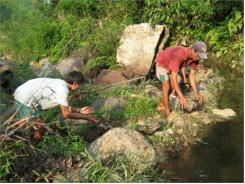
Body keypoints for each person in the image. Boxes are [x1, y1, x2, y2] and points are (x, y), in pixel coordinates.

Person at [13, 71, 99, 139]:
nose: (79, 87)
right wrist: (87, 117)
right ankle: (36, 143)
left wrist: (79, 110)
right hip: (27, 98)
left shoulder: (59, 83)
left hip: (20, 92)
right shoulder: (63, 91)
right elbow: (66, 113)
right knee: (40, 126)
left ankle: (18, 136)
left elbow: (63, 105)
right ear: (75, 83)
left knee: (24, 122)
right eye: (80, 85)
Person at [156, 41, 208, 117]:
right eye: (199, 55)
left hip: (172, 64)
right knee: (166, 86)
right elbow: (174, 77)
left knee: (173, 87)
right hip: (162, 63)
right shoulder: (180, 54)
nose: (199, 58)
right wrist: (181, 96)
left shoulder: (195, 59)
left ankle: (161, 104)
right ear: (193, 50)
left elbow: (192, 75)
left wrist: (196, 93)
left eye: (201, 56)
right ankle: (166, 109)